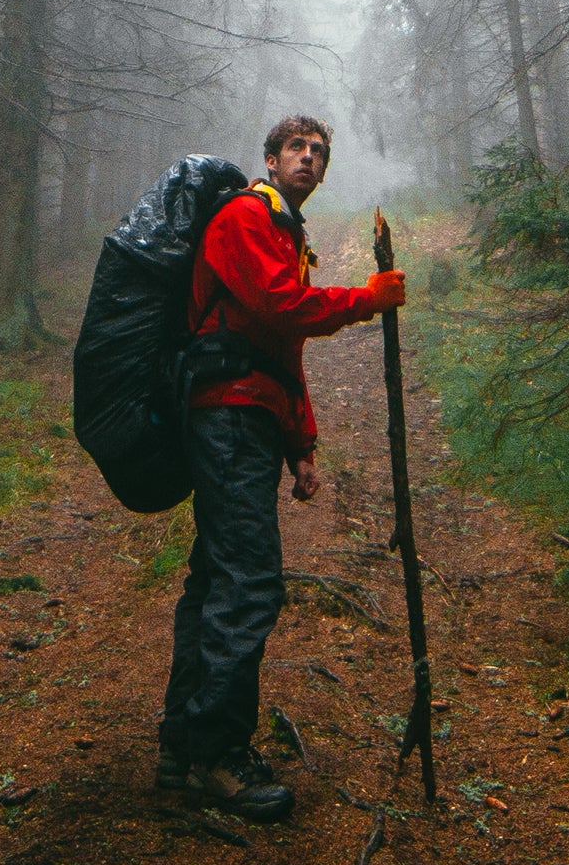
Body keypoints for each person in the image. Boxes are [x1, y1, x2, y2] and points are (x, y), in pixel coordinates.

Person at [157, 115, 406, 821]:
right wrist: (366, 301)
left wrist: (302, 446)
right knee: (249, 584)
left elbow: (278, 344)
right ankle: (216, 755)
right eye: (296, 148)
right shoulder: (245, 215)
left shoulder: (285, 232)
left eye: (318, 152)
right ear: (270, 160)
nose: (308, 158)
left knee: (215, 581)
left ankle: (183, 746)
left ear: (323, 173)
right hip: (227, 416)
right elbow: (277, 304)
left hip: (250, 416)